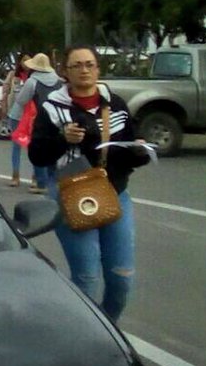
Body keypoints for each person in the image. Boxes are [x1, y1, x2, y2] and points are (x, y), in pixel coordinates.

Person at [30, 45, 152, 322]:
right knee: (86, 277)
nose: (84, 70)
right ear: (66, 72)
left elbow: (128, 149)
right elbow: (37, 154)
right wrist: (64, 140)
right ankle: (84, 338)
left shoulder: (116, 104)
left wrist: (139, 152)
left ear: (98, 69)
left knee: (121, 278)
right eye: (77, 65)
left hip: (114, 193)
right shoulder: (52, 107)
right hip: (71, 195)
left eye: (89, 64)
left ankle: (107, 330)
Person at [8, 53, 63, 193]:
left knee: (26, 148)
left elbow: (21, 100)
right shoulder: (58, 81)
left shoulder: (32, 81)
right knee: (49, 149)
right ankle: (46, 181)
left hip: (25, 118)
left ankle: (27, 179)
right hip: (52, 119)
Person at [0, 55, 30, 187]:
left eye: (29, 60)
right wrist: (3, 106)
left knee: (32, 148)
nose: (26, 63)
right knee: (16, 146)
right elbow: (5, 90)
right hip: (15, 114)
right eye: (24, 60)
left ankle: (35, 178)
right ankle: (15, 176)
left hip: (30, 116)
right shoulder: (13, 75)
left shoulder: (34, 77)